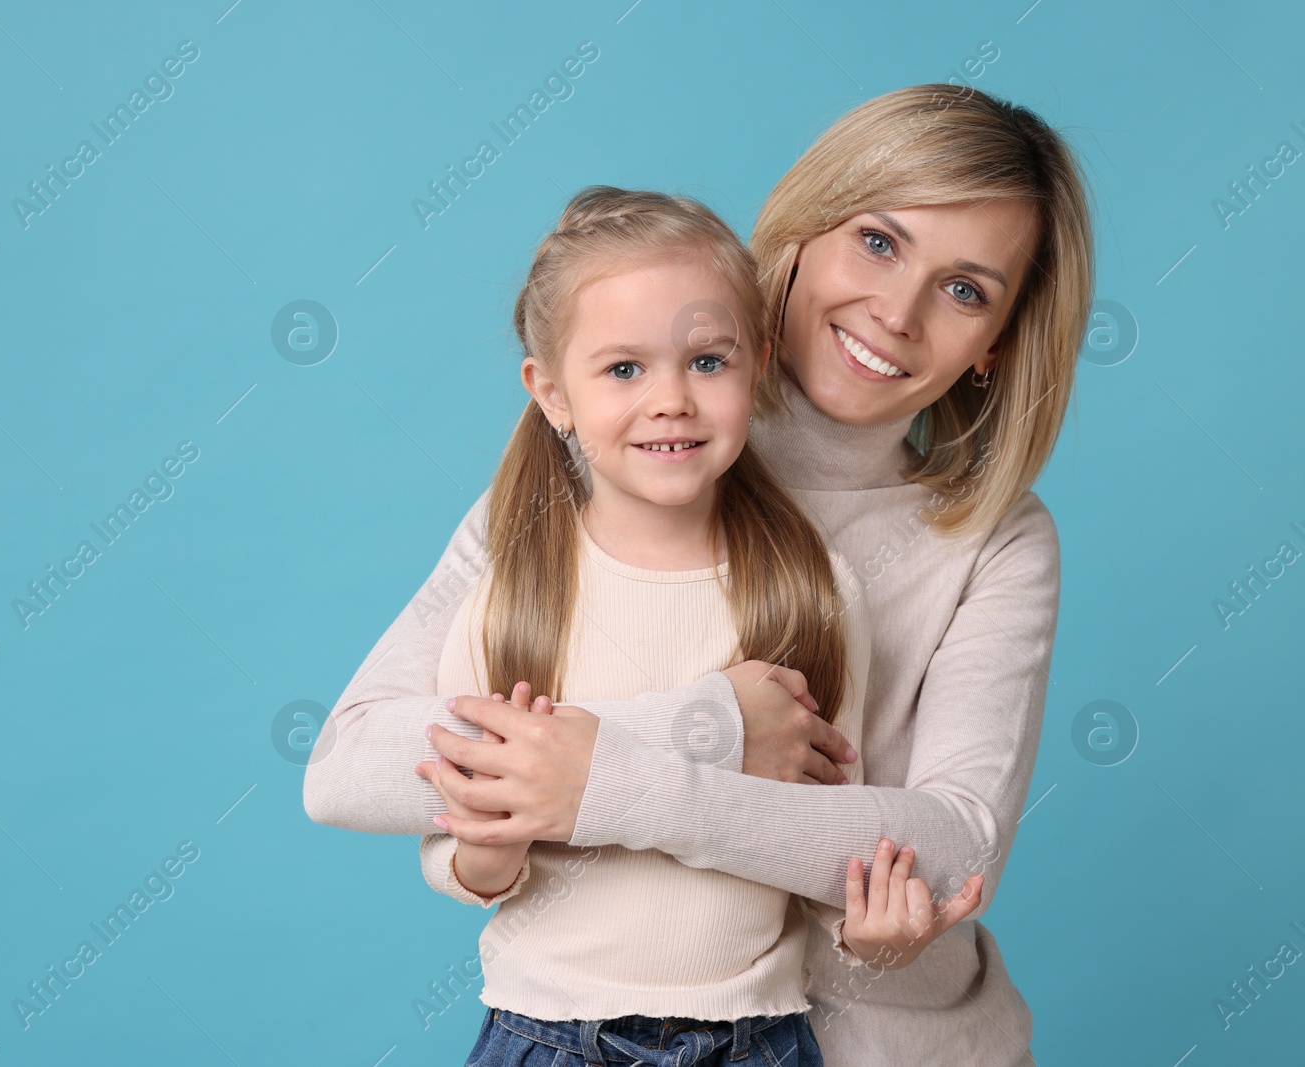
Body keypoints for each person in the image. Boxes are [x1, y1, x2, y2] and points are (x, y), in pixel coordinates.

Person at [304, 82, 1092, 1066]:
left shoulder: (997, 538)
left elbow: (952, 847)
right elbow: (352, 763)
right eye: (879, 241)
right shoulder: (622, 447)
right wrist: (709, 725)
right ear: (802, 231)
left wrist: (620, 784)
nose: (896, 311)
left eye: (965, 288)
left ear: (998, 345)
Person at [406, 184, 980, 1066]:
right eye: (624, 369)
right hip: (545, 1031)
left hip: (754, 1037)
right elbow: (456, 859)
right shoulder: (515, 597)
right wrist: (494, 848)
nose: (671, 398)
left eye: (707, 362)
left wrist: (869, 928)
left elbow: (825, 832)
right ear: (552, 393)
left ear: (755, 369)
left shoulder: (807, 595)